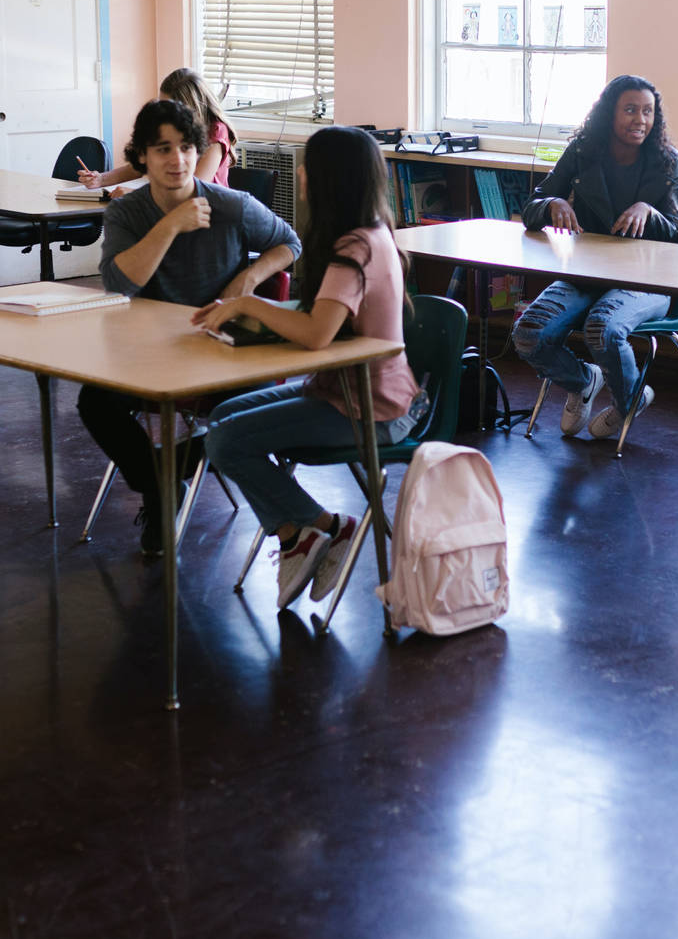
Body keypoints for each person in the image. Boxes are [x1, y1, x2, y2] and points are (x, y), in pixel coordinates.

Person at [196, 125, 426, 611]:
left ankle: (323, 527)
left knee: (225, 440)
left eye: (308, 165)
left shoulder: (355, 248)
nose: (300, 172)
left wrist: (248, 306)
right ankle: (294, 534)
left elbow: (318, 333)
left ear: (328, 178)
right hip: (342, 390)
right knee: (219, 420)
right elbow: (322, 317)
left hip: (371, 407)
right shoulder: (371, 232)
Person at [79, 98, 298, 553]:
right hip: (149, 354)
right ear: (141, 156)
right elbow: (121, 283)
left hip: (218, 354)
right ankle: (162, 489)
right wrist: (173, 224)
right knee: (94, 402)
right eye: (162, 149)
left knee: (238, 421)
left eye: (185, 148)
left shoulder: (232, 205)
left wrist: (250, 277)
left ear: (198, 151)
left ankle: (161, 483)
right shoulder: (126, 213)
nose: (176, 161)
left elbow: (289, 242)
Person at [513, 75, 678, 441]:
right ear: (610, 113)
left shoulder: (669, 162)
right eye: (630, 110)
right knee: (529, 335)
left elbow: (676, 232)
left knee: (602, 329)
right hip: (585, 273)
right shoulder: (582, 152)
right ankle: (585, 380)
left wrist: (648, 211)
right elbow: (531, 208)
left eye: (647, 112)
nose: (640, 119)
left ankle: (627, 403)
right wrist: (553, 203)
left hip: (647, 280)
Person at [79, 66, 236, 191]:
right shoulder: (168, 126)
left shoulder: (216, 131)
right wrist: (101, 179)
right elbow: (140, 166)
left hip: (207, 212)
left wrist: (136, 196)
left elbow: (194, 186)